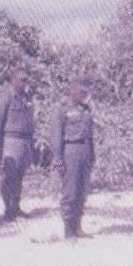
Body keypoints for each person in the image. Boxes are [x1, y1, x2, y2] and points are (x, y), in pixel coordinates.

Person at [51, 78, 95, 239]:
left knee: (82, 190)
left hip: (85, 150)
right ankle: (68, 228)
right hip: (70, 150)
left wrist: (92, 155)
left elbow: (90, 134)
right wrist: (57, 158)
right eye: (81, 91)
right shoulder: (62, 109)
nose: (84, 94)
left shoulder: (86, 108)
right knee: (70, 190)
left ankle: (78, 225)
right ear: (72, 91)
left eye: (85, 92)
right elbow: (56, 135)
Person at [0, 67, 35, 221]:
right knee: (8, 175)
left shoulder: (26, 97)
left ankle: (16, 206)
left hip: (25, 140)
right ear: (13, 80)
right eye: (22, 80)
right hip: (11, 140)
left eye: (26, 80)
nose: (25, 83)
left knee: (19, 176)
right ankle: (7, 209)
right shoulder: (5, 96)